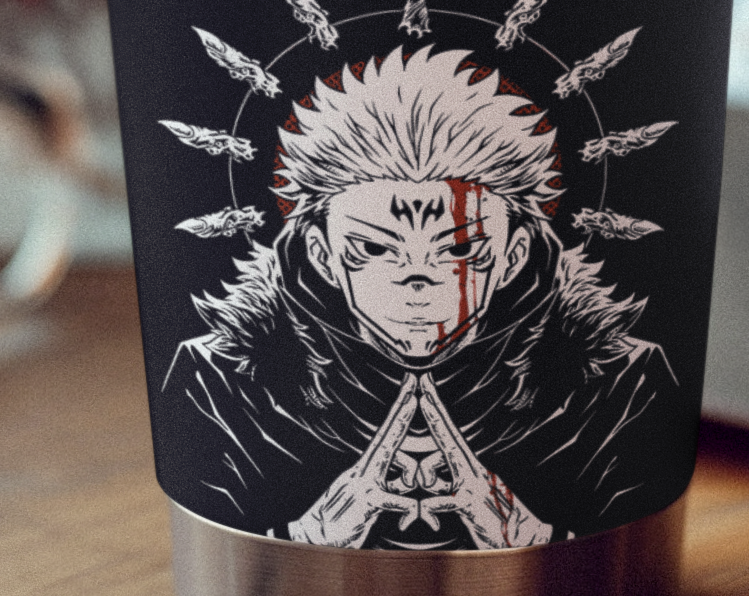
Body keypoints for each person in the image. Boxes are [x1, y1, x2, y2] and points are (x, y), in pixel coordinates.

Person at [163, 46, 680, 546]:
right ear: (322, 255)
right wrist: (308, 538)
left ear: (514, 255)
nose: (418, 277)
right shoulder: (221, 381)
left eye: (459, 248)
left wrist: (531, 540)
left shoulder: (621, 383)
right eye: (372, 246)